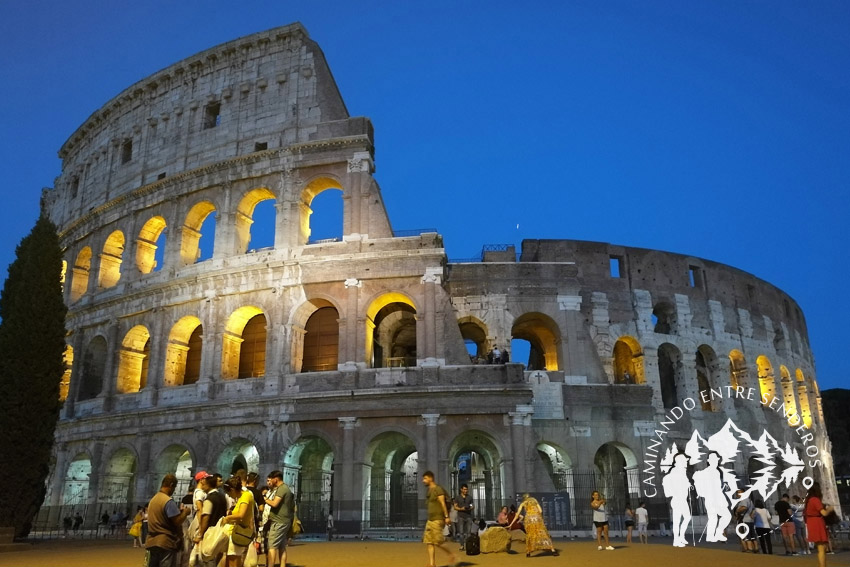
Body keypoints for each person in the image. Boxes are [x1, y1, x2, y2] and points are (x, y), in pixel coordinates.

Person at [146, 473, 191, 567]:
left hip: (152, 541)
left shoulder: (153, 500)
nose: (174, 491)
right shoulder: (168, 501)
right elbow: (177, 521)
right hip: (165, 541)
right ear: (171, 485)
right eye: (174, 488)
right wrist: (185, 513)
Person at [692, 452, 730, 542]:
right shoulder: (707, 472)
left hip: (716, 497)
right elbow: (710, 487)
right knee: (720, 517)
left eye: (716, 460)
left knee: (718, 517)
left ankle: (713, 535)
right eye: (713, 460)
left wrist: (723, 487)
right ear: (709, 461)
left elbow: (716, 486)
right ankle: (716, 534)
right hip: (713, 498)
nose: (715, 462)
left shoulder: (716, 472)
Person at [421, 470, 455, 567]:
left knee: (438, 542)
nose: (423, 481)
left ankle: (451, 554)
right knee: (429, 541)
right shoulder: (429, 490)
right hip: (430, 519)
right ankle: (432, 564)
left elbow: (443, 503)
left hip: (438, 519)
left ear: (431, 478)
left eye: (425, 478)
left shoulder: (438, 489)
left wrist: (446, 517)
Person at [193, 474, 227, 567]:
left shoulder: (209, 499)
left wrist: (200, 534)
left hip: (210, 533)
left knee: (207, 559)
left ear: (209, 485)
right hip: (220, 531)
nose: (202, 486)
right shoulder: (222, 496)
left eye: (204, 484)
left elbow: (206, 518)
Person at [263, 470, 294, 567]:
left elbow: (274, 503)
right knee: (282, 546)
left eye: (271, 480)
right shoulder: (286, 488)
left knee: (271, 546)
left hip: (278, 521)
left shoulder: (282, 489)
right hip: (284, 521)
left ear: (276, 479)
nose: (269, 482)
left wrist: (264, 498)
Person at [222, 476, 255, 567]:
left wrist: (228, 518)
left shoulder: (245, 496)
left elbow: (241, 515)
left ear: (232, 489)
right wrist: (231, 512)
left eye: (228, 492)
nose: (228, 495)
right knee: (232, 559)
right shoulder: (241, 496)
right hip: (235, 531)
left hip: (237, 532)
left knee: (234, 560)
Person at [662, 453, 692, 547]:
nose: (686, 464)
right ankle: (676, 540)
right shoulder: (675, 473)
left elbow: (685, 483)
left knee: (687, 517)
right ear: (679, 462)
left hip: (683, 500)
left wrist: (689, 485)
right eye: (684, 462)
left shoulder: (682, 473)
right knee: (677, 521)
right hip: (678, 499)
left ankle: (681, 537)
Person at [805, 482, 833, 567]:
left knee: (821, 547)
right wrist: (830, 509)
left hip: (812, 522)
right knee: (821, 548)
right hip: (817, 522)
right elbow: (824, 513)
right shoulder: (815, 500)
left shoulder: (809, 500)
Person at [453, 483, 474, 551]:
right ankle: (462, 545)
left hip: (468, 516)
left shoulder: (470, 497)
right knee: (461, 532)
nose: (466, 491)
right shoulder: (457, 497)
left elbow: (472, 506)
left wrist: (469, 508)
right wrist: (461, 509)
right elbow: (455, 507)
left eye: (466, 489)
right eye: (464, 489)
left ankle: (468, 545)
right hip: (461, 516)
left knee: (468, 532)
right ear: (461, 489)